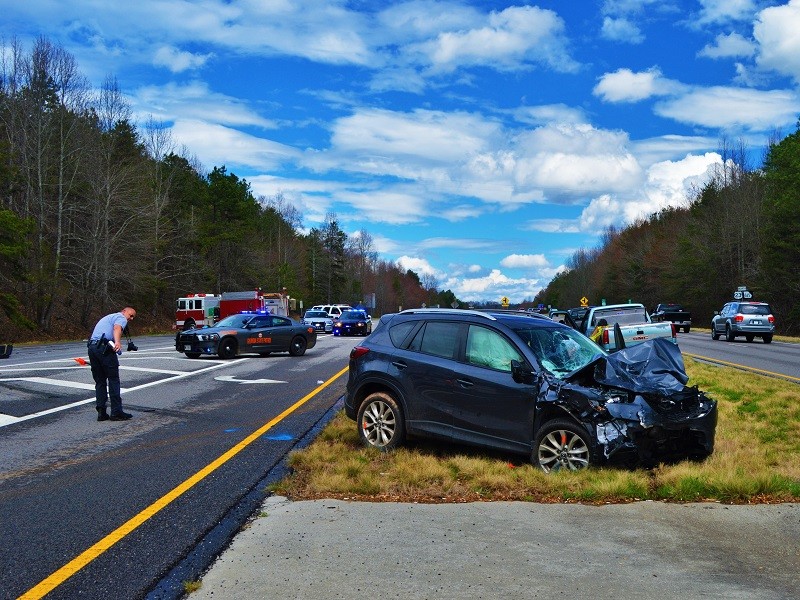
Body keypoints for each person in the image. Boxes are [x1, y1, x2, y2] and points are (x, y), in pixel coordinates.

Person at [87, 306, 136, 421]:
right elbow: (117, 328)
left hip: (92, 348)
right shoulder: (120, 317)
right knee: (113, 379)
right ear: (124, 311)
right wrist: (117, 342)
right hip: (105, 348)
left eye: (133, 317)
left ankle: (101, 412)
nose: (131, 318)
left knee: (100, 381)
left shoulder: (109, 317)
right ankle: (116, 412)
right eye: (131, 315)